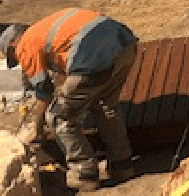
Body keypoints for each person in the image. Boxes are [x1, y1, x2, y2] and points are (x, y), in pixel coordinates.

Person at [1, 10, 139, 190]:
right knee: (105, 105)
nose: (19, 61)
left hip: (94, 56)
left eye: (14, 58)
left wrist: (37, 128)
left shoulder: (25, 44)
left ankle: (85, 173)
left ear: (13, 44)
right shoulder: (45, 28)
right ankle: (122, 165)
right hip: (124, 43)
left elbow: (44, 92)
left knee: (58, 116)